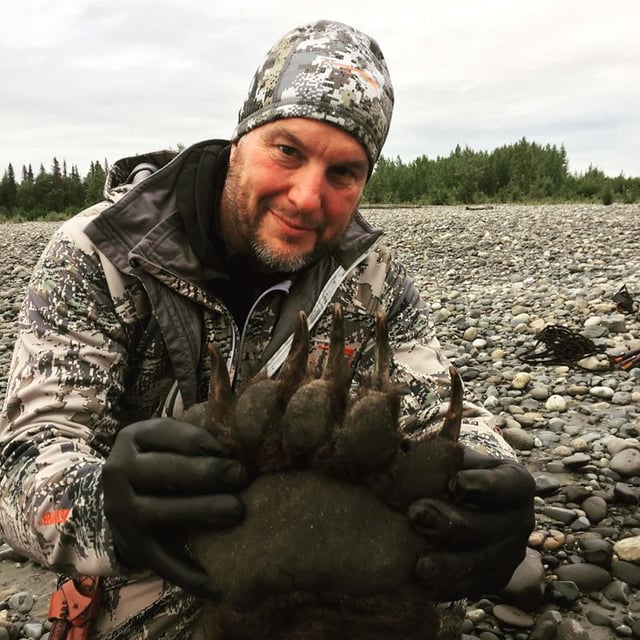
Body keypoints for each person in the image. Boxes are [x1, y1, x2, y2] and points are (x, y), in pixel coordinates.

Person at [0, 19, 534, 640]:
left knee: (426, 559)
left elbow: (438, 409)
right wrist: (104, 507)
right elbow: (25, 460)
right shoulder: (102, 253)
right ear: (240, 140)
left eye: (343, 173)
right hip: (169, 549)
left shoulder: (368, 274)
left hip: (340, 543)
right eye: (288, 151)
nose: (307, 197)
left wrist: (494, 487)